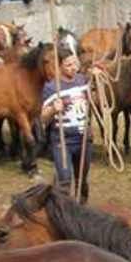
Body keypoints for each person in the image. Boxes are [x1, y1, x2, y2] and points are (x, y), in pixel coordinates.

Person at [40, 47, 93, 202]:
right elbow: (43, 118)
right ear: (60, 66)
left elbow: (94, 99)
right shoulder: (52, 87)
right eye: (68, 65)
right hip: (63, 140)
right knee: (65, 179)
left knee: (82, 178)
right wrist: (52, 110)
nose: (73, 68)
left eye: (75, 64)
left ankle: (82, 207)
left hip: (84, 138)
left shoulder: (82, 80)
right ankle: (63, 209)